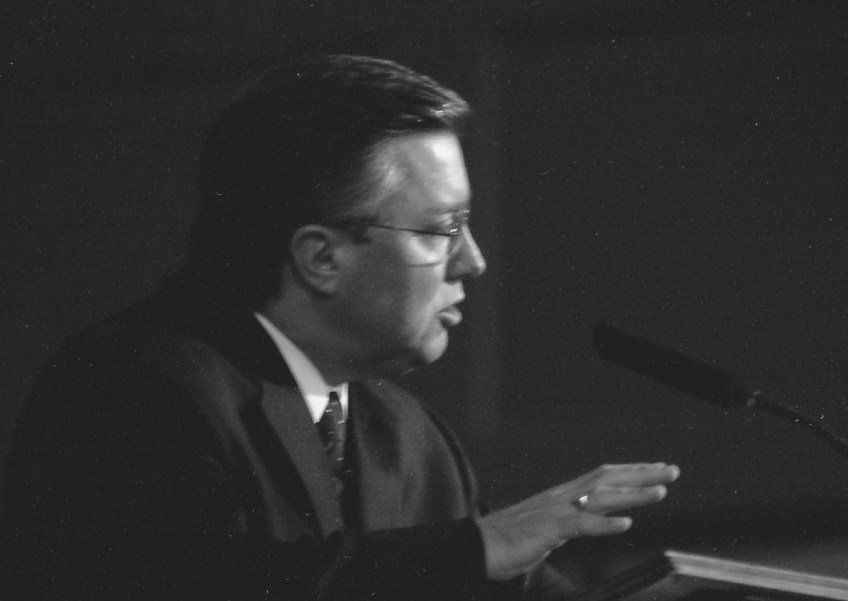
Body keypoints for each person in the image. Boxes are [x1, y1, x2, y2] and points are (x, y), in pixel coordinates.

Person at [0, 54, 679, 600]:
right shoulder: (129, 387)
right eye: (442, 230)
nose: (473, 261)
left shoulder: (409, 435)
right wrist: (476, 546)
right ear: (320, 257)